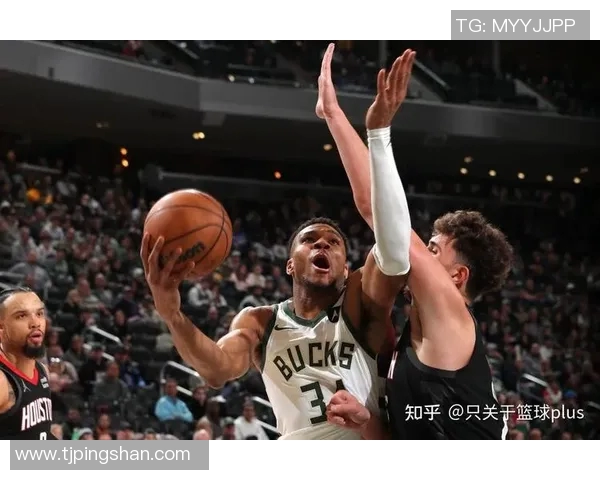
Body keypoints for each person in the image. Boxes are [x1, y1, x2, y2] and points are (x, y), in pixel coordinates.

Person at [317, 44, 513, 439]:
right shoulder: (415, 341)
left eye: (433, 249)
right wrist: (364, 419)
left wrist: (378, 132)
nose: (422, 251)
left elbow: (376, 214)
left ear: (458, 276)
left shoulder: (452, 315)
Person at [140, 196, 412, 439]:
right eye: (309, 240)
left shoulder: (359, 298)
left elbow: (393, 248)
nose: (321, 243)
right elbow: (217, 370)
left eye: (333, 242)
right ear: (290, 265)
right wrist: (172, 315)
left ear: (345, 270)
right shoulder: (260, 322)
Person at [0, 287, 56, 440]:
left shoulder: (42, 370)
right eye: (21, 316)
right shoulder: (2, 381)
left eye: (39, 314)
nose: (35, 323)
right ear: (1, 328)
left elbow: (39, 433)